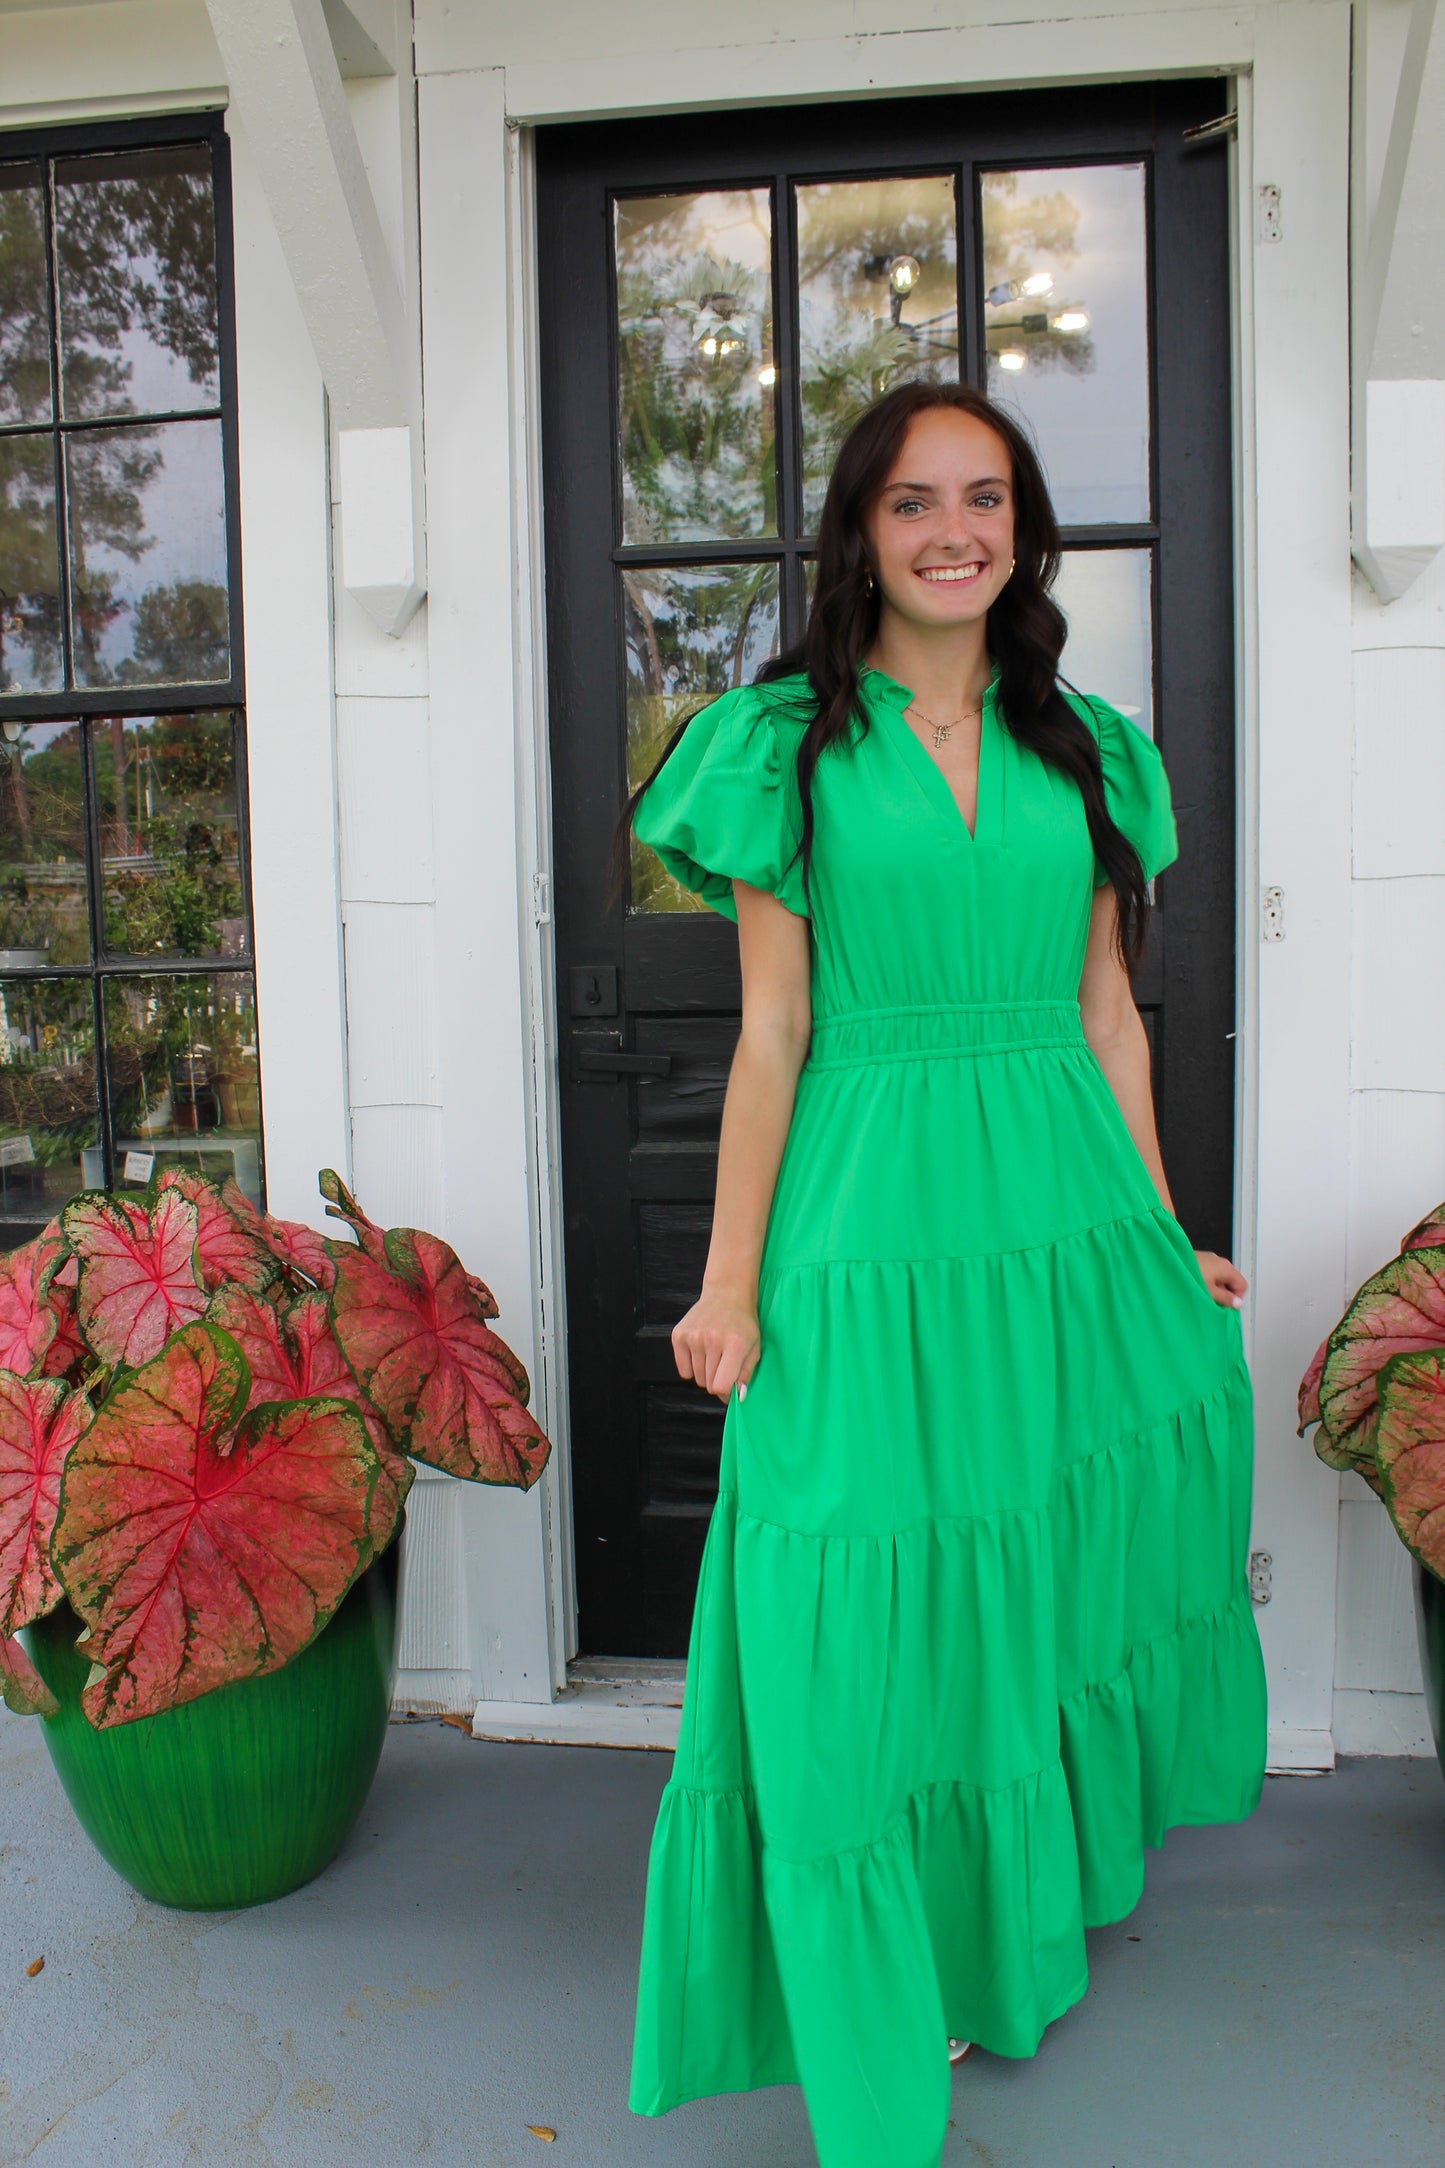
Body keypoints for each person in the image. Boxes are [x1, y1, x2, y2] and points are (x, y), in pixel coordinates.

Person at [614, 380, 1267, 2168]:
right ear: (859, 530)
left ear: (1023, 529)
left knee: (1034, 1558)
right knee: (856, 1574)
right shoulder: (782, 746)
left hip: (1055, 1205)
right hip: (874, 1205)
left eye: (984, 499)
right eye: (914, 502)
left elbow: (1107, 1014)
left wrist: (1153, 1223)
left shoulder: (1084, 747)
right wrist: (730, 1279)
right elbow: (771, 1033)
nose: (952, 531)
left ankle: (1002, 1933)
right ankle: (872, 1969)